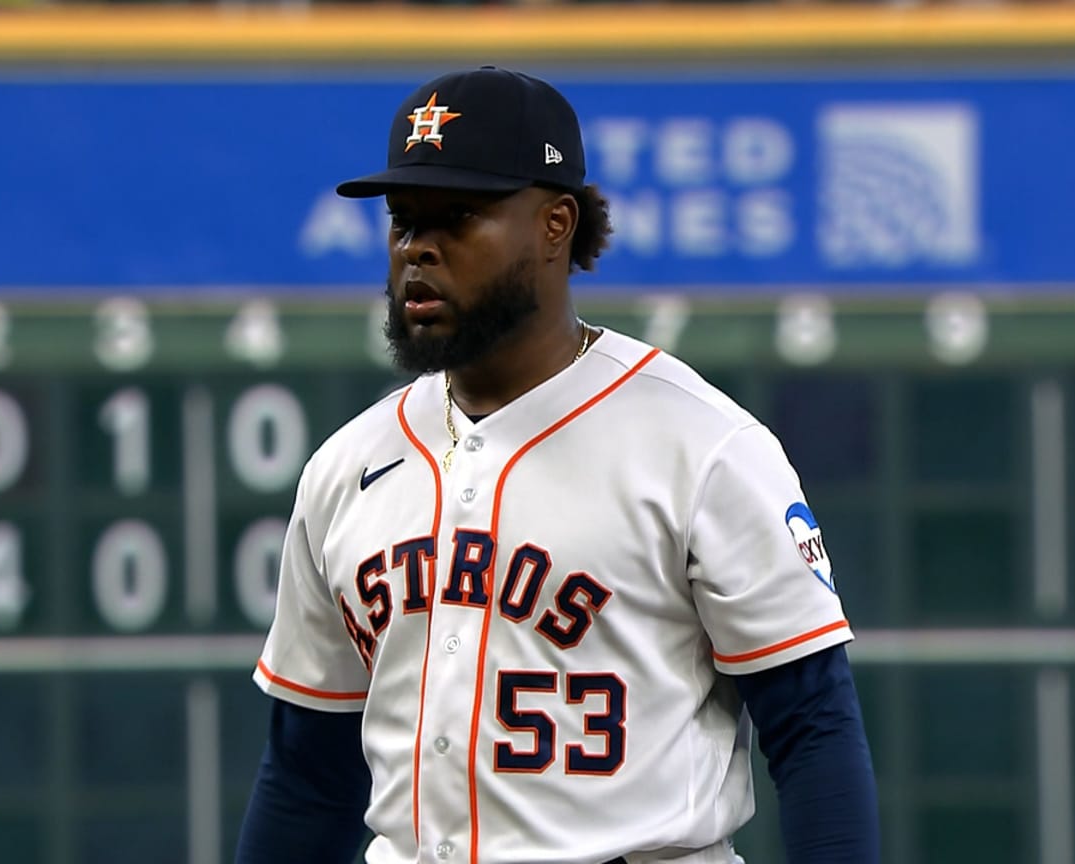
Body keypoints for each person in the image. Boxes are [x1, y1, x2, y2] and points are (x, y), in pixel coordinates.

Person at [236, 66, 879, 864]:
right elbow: (308, 776)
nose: (419, 249)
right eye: (404, 222)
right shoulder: (348, 467)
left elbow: (812, 730)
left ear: (555, 225)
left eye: (459, 216)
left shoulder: (703, 446)